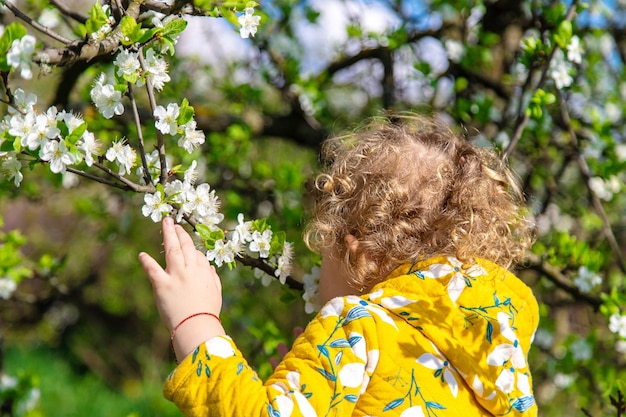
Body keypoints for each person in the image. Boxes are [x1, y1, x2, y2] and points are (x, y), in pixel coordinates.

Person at [138, 114, 539, 417]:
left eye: (324, 250)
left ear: (358, 251)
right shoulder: (501, 376)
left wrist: (195, 323)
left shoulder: (359, 326)